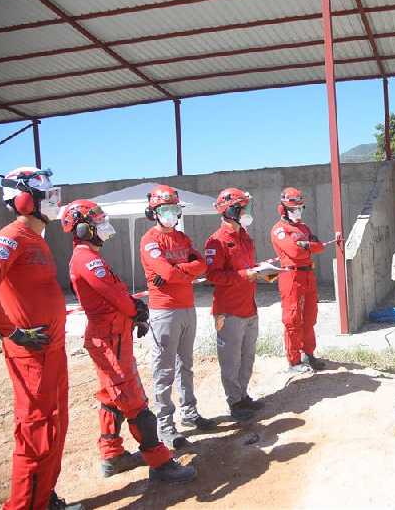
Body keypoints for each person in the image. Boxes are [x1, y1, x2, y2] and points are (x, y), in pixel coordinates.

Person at [0, 167, 81, 509]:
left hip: (51, 352)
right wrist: (13, 332)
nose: (54, 203)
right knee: (36, 433)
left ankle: (43, 497)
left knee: (55, 425)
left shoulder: (37, 240)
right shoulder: (10, 237)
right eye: (49, 196)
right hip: (31, 357)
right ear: (25, 200)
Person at [63, 200, 196, 483]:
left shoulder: (89, 255)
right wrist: (135, 309)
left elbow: (112, 293)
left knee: (111, 396)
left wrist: (133, 312)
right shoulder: (86, 258)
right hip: (109, 339)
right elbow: (111, 294)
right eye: (96, 220)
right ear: (84, 228)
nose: (102, 225)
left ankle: (112, 455)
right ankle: (160, 463)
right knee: (134, 400)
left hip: (113, 335)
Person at [139, 184, 213, 450]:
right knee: (164, 369)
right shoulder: (150, 240)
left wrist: (178, 270)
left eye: (174, 209)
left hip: (186, 308)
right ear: (154, 211)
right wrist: (184, 272)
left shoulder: (182, 239)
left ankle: (190, 413)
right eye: (166, 209)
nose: (171, 214)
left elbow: (201, 264)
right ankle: (165, 425)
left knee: (186, 364)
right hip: (164, 311)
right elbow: (166, 274)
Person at [204, 188, 265, 421]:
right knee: (230, 360)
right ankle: (235, 402)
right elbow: (213, 276)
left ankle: (243, 394)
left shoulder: (245, 236)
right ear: (230, 210)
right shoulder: (216, 241)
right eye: (243, 207)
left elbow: (247, 266)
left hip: (249, 307)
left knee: (247, 356)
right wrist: (244, 274)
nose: (247, 211)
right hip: (228, 312)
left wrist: (260, 272)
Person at [271, 187, 329, 373]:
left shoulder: (303, 227)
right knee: (292, 318)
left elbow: (320, 247)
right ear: (284, 209)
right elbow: (295, 252)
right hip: (291, 276)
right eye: (294, 208)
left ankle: (308, 354)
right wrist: (307, 246)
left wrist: (306, 245)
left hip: (308, 274)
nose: (298, 212)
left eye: (300, 208)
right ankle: (294, 361)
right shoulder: (280, 229)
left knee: (310, 316)